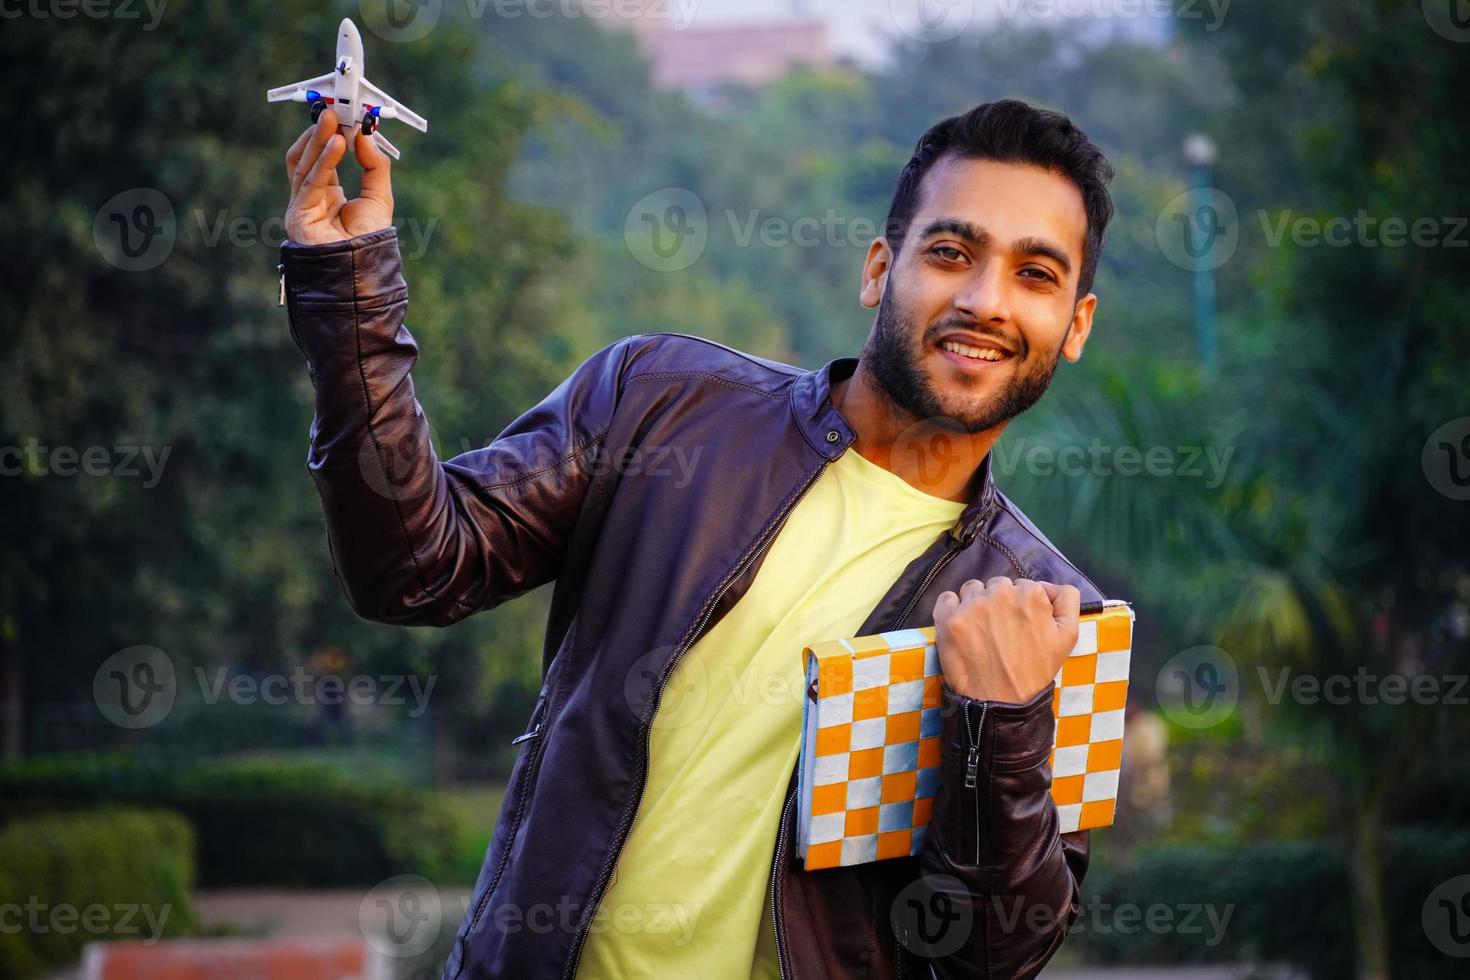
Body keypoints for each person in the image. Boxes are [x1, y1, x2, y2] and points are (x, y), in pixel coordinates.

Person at [279, 97, 1116, 980]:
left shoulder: (1053, 620)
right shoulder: (661, 402)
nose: (985, 300)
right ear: (880, 269)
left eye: (1036, 275)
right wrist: (350, 294)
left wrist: (1003, 718)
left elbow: (995, 954)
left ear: (1076, 325)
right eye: (951, 253)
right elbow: (413, 570)